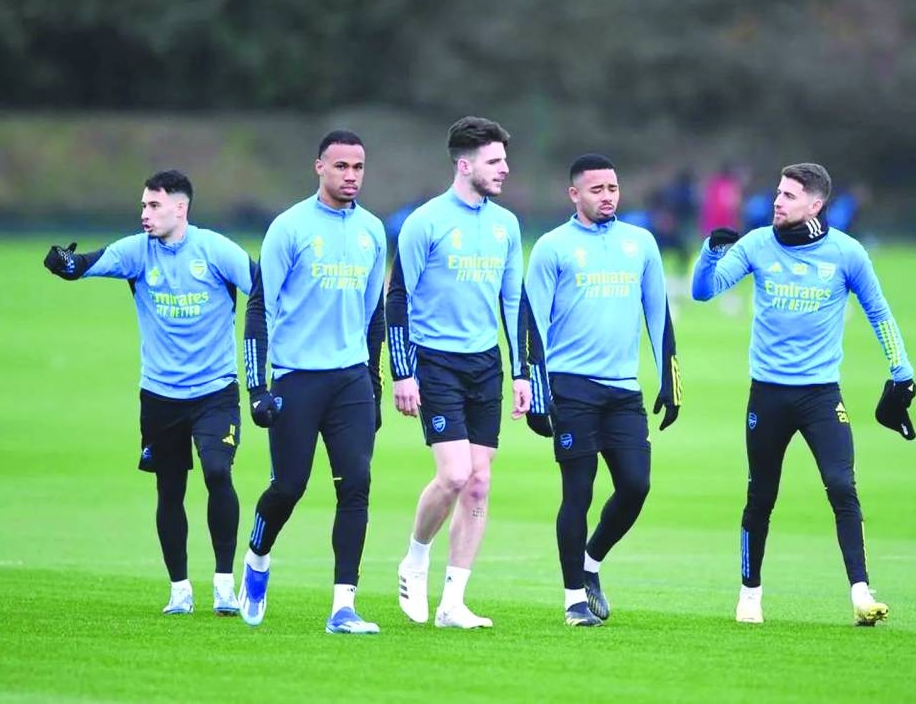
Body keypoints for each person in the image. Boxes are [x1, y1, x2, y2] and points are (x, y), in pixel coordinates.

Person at [690, 162, 916, 626]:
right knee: (762, 496)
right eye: (778, 192)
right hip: (768, 395)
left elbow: (880, 313)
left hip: (820, 396)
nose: (777, 201)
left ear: (815, 204)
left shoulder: (847, 253)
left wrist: (902, 370)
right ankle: (749, 594)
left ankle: (860, 592)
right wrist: (710, 253)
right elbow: (703, 292)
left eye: (789, 195)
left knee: (841, 486)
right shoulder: (756, 244)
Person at [42, 170, 253, 616]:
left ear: (181, 208)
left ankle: (223, 585)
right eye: (143, 205)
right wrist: (63, 263)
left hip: (216, 391)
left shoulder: (216, 250)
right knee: (169, 488)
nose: (144, 214)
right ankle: (179, 589)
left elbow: (265, 292)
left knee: (218, 471)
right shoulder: (135, 252)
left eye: (153, 205)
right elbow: (86, 265)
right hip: (159, 395)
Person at [237, 130, 386, 634]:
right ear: (318, 167)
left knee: (357, 487)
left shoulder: (371, 231)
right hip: (296, 379)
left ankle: (343, 606)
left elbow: (374, 317)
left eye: (358, 167)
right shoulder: (289, 228)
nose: (351, 176)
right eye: (341, 166)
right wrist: (258, 388)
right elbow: (259, 308)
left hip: (349, 383)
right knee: (289, 487)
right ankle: (256, 560)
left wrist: (375, 383)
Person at [525, 154, 681, 627]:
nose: (607, 196)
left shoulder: (641, 243)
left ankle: (591, 564)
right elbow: (531, 323)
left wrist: (670, 383)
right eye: (596, 189)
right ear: (575, 194)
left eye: (612, 187)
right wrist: (536, 391)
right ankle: (574, 599)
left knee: (636, 485)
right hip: (571, 388)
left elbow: (659, 314)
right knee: (579, 492)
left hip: (623, 392)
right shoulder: (552, 247)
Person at [387, 116, 530, 629]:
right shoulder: (425, 221)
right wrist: (403, 372)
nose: (505, 170)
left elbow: (513, 302)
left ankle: (453, 603)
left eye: (505, 161)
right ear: (464, 164)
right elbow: (397, 298)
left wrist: (522, 373)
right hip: (435, 361)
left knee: (479, 484)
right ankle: (415, 559)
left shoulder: (506, 226)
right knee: (453, 475)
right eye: (495, 162)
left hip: (484, 363)